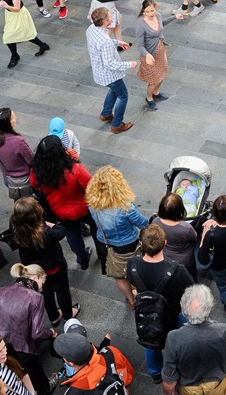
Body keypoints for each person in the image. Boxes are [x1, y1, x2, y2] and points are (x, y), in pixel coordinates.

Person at [128, 224, 193, 380]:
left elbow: (133, 285)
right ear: (165, 243)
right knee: (179, 339)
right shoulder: (178, 271)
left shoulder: (133, 265)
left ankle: (156, 373)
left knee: (150, 342)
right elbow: (192, 291)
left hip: (147, 314)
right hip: (171, 314)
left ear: (141, 244)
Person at [30, 135, 106, 270]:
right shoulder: (75, 169)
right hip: (83, 208)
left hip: (59, 211)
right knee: (95, 227)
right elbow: (91, 186)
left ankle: (82, 259)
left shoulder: (37, 170)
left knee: (72, 234)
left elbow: (34, 185)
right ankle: (102, 254)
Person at [0, 265, 56, 395]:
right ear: (35, 277)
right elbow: (37, 333)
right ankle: (45, 391)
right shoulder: (36, 297)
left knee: (14, 368)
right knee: (34, 371)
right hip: (22, 348)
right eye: (42, 282)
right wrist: (51, 333)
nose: (42, 287)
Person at [85, 166, 147, 308]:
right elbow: (143, 223)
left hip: (105, 243)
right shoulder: (126, 208)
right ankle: (137, 290)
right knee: (135, 269)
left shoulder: (92, 204)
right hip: (128, 244)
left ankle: (131, 301)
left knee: (119, 275)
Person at [9, 196, 76, 325]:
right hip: (53, 265)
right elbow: (62, 231)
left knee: (44, 291)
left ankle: (54, 317)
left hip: (32, 267)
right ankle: (68, 316)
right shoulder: (46, 233)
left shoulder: (14, 227)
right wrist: (48, 223)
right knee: (62, 290)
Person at [86, 7, 137, 134]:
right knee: (123, 95)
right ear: (105, 22)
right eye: (109, 16)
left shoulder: (91, 29)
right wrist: (129, 64)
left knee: (114, 89)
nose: (111, 17)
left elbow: (102, 44)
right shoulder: (105, 42)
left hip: (99, 71)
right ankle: (117, 124)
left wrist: (117, 42)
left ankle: (106, 113)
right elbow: (110, 64)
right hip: (110, 74)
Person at [0, 107, 33, 196]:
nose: (15, 118)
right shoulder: (19, 141)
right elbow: (31, 161)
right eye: (13, 117)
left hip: (8, 179)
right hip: (25, 179)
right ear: (8, 123)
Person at [151, 192, 197, 277]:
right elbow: (194, 238)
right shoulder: (186, 228)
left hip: (164, 257)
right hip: (184, 261)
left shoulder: (155, 221)